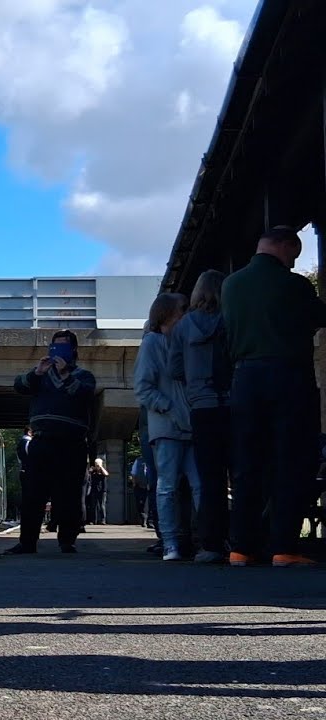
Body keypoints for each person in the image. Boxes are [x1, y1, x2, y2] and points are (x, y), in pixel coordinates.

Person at [222, 225, 326, 567]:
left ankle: (241, 547)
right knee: (291, 461)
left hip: (245, 379)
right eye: (293, 255)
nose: (293, 263)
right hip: (288, 376)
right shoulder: (293, 284)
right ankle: (284, 547)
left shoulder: (231, 285)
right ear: (283, 245)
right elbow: (318, 316)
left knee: (247, 464)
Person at [7, 329, 97, 554]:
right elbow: (19, 386)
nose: (59, 351)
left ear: (74, 350)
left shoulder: (83, 375)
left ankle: (67, 540)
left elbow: (83, 394)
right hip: (42, 442)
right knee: (33, 494)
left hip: (72, 443)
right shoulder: (40, 376)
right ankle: (27, 542)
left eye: (64, 347)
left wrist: (65, 374)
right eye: (55, 346)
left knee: (69, 495)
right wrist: (38, 371)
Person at [167, 269, 231, 563]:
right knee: (244, 473)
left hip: (201, 406)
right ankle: (246, 542)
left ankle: (211, 544)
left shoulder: (182, 327)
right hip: (234, 402)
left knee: (210, 478)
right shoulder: (231, 319)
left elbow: (175, 369)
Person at [134, 292, 202, 562]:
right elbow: (143, 388)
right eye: (182, 309)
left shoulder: (186, 343)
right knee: (168, 486)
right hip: (168, 427)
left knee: (197, 485)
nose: (187, 314)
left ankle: (200, 539)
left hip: (189, 425)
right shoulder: (153, 343)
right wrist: (170, 408)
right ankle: (171, 542)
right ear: (167, 314)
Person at [86, 458, 108, 525]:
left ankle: (103, 520)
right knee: (93, 506)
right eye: (96, 464)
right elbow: (88, 476)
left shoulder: (103, 471)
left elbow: (106, 474)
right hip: (94, 490)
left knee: (102, 506)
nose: (97, 465)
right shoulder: (93, 471)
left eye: (98, 463)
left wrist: (101, 467)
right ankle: (93, 520)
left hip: (102, 491)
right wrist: (90, 471)